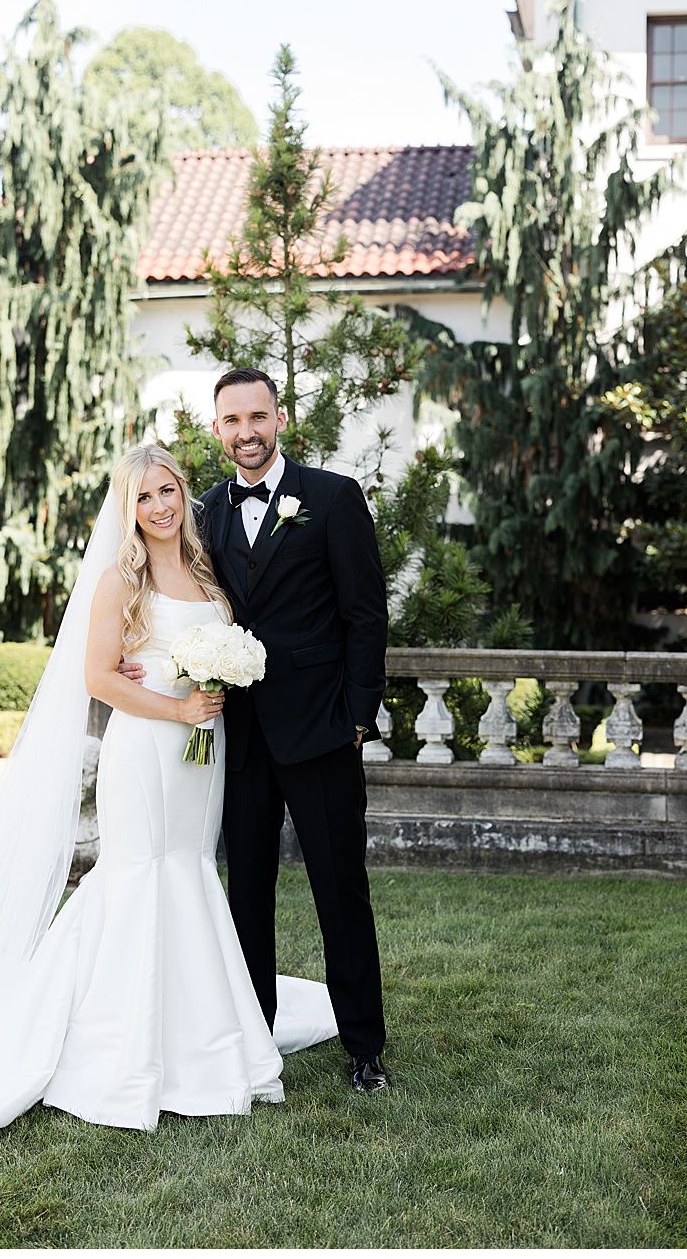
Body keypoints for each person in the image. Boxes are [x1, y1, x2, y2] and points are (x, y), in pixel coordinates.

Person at [0, 445, 337, 1182]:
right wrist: (179, 705)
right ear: (127, 506)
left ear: (185, 495)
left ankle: (199, 1035)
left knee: (186, 869)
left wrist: (211, 692)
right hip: (149, 745)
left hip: (200, 751)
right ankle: (117, 1049)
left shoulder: (206, 568)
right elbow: (97, 678)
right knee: (140, 874)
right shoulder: (122, 579)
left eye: (169, 490)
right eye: (145, 495)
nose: (160, 506)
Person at [195, 367, 390, 1093]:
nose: (245, 431)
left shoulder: (333, 497)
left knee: (341, 889)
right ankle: (255, 1044)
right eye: (231, 420)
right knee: (246, 894)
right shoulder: (206, 510)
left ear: (280, 418)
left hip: (321, 734)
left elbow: (365, 613)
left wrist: (358, 716)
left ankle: (365, 1046)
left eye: (256, 416)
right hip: (240, 743)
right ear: (217, 430)